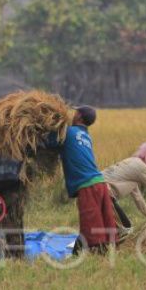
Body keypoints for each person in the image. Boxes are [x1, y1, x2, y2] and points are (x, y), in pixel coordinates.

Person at [46, 105, 117, 254]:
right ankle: (94, 251)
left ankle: (93, 252)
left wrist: (47, 126)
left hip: (88, 185)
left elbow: (50, 142)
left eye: (75, 112)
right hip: (100, 183)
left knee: (90, 223)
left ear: (78, 116)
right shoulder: (86, 136)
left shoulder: (68, 132)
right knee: (102, 221)